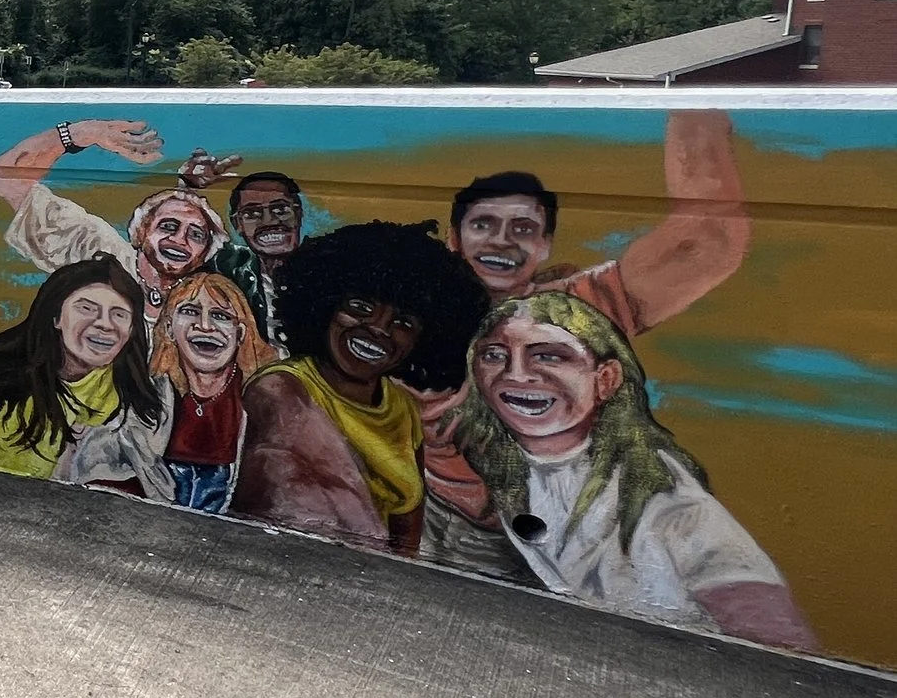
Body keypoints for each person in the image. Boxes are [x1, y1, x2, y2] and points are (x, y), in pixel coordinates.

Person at [422, 109, 752, 571]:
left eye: (523, 229)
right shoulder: (408, 310)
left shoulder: (572, 310)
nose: (501, 242)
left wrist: (698, 109)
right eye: (483, 225)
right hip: (438, 515)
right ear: (455, 238)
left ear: (546, 246)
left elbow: (706, 244)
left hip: (552, 531)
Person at [456, 291, 816, 651]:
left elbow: (775, 635)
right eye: (494, 356)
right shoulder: (498, 463)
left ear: (606, 379)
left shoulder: (661, 495)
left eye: (549, 356)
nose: (515, 374)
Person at [236, 221, 488, 556]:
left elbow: (407, 525)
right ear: (325, 307)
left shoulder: (401, 407)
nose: (378, 329)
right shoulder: (281, 390)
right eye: (360, 308)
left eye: (403, 322)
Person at [0, 257, 173, 499]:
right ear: (56, 318)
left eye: (119, 314)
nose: (104, 324)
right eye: (86, 308)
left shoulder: (132, 399)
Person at [0, 119, 242, 319]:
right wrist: (77, 134)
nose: (179, 240)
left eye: (196, 235)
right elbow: (4, 180)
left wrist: (185, 192)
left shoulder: (213, 295)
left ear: (207, 250)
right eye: (168, 226)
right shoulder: (100, 253)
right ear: (139, 232)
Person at [148, 271, 278, 513]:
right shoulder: (152, 393)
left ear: (240, 333)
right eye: (190, 311)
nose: (205, 326)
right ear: (168, 328)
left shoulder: (258, 398)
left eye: (220, 316)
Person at [220, 170, 305, 348]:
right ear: (237, 225)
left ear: (298, 214)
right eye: (252, 214)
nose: (269, 221)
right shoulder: (230, 270)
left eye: (281, 209)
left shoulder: (328, 276)